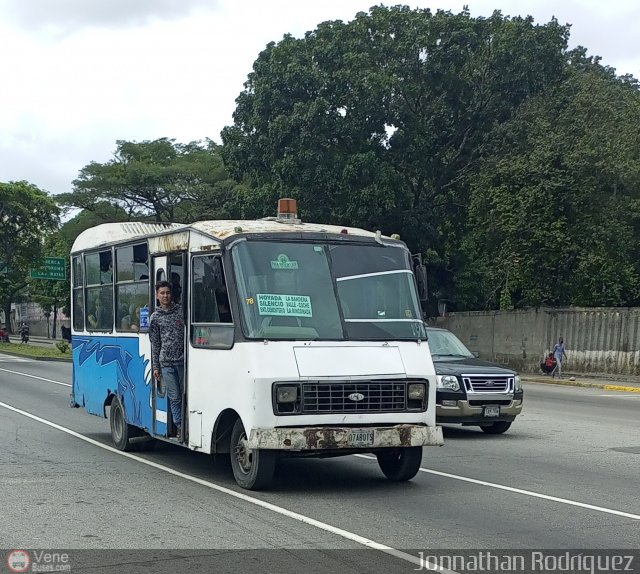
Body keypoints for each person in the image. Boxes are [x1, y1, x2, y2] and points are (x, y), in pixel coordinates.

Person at [149, 280, 185, 440]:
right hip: (166, 364)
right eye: (162, 293)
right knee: (175, 397)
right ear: (157, 296)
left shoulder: (181, 311)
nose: (165, 296)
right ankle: (180, 427)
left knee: (186, 395)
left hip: (184, 361)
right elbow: (155, 344)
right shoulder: (155, 318)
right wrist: (156, 366)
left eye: (168, 293)